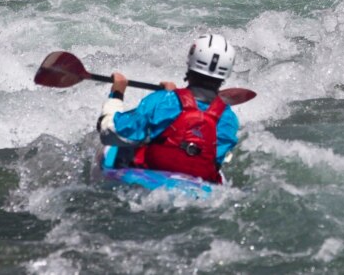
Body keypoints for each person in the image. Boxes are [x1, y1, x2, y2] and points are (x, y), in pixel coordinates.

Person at [97, 34, 240, 183]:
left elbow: (110, 133)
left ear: (191, 60)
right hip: (198, 186)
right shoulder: (228, 118)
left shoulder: (162, 101)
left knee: (113, 148)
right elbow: (214, 159)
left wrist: (117, 92)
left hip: (150, 179)